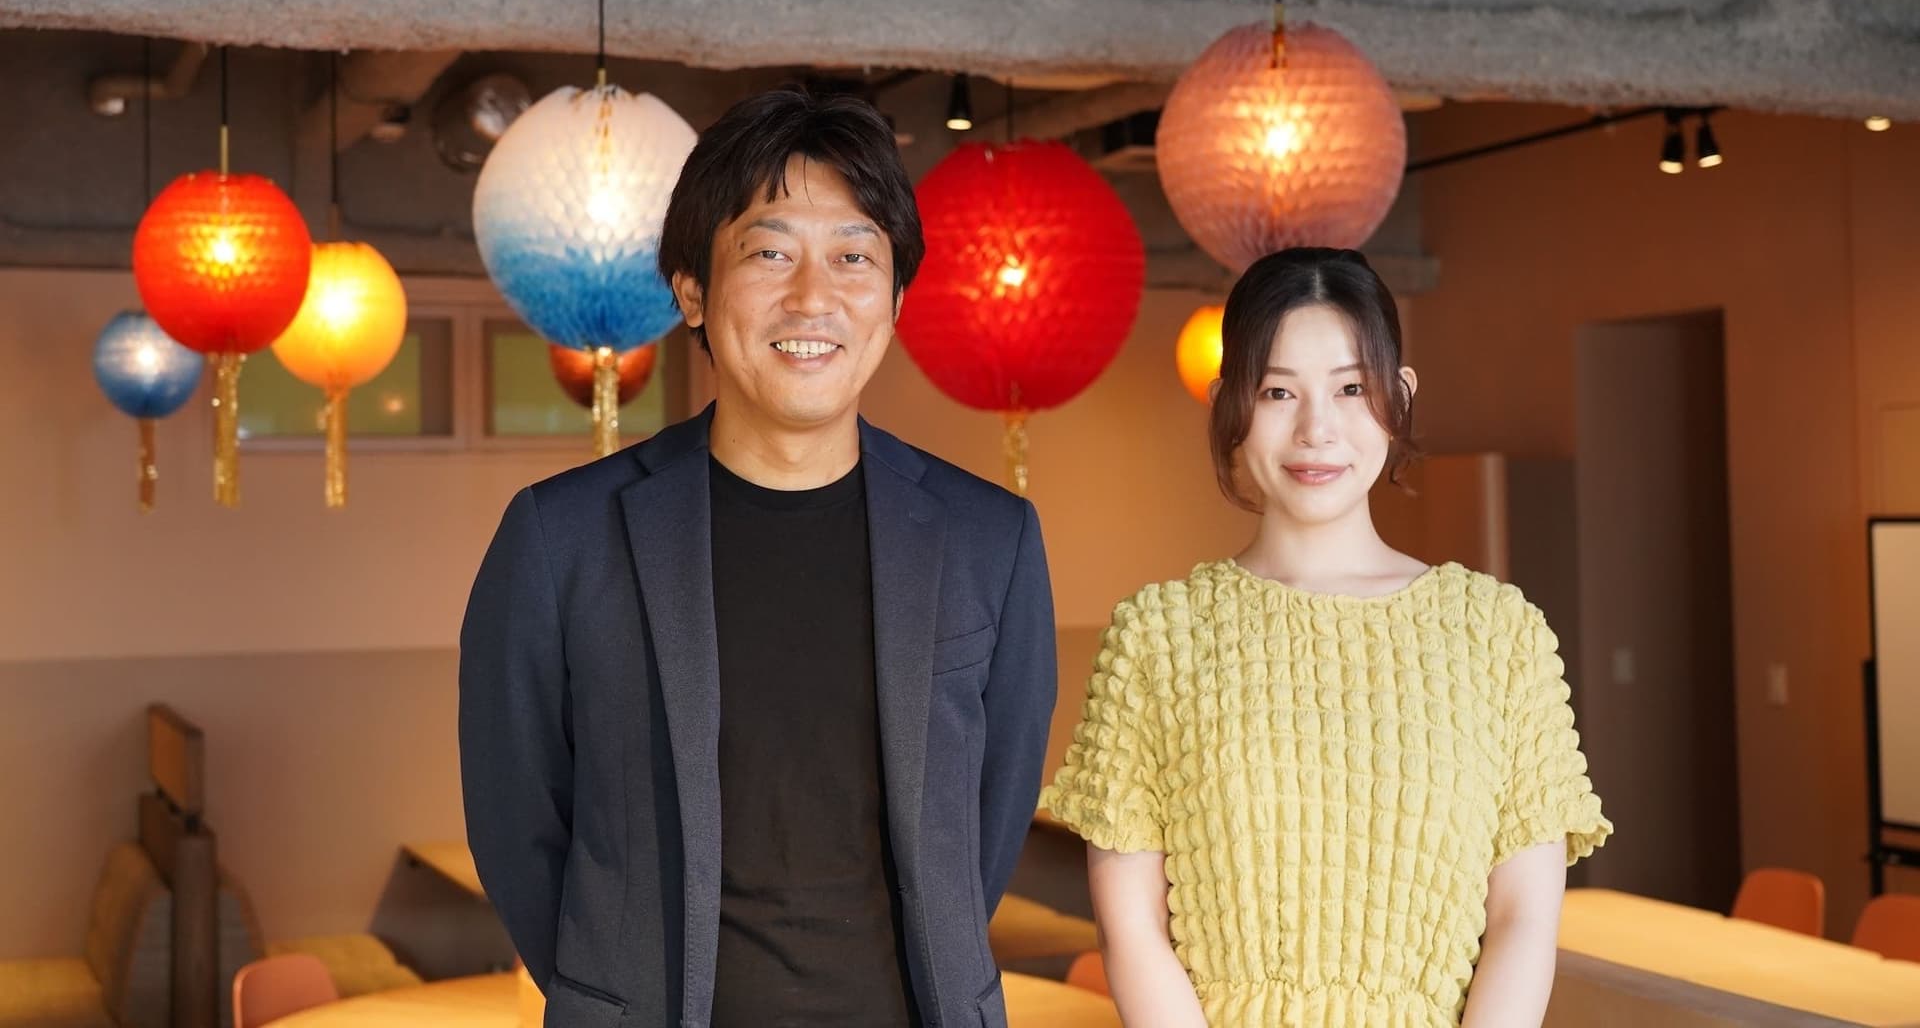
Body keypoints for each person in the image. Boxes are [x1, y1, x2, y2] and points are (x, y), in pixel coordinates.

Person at [460, 89, 1056, 1028]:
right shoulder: (560, 540)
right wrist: (614, 986)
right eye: (769, 252)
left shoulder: (991, 540)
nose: (813, 297)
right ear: (692, 287)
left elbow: (986, 823)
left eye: (855, 256)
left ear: (896, 296)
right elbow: (516, 825)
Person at [1042, 246, 1609, 1027]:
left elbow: (1523, 921)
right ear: (1229, 405)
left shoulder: (1498, 636)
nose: (1317, 429)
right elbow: (1131, 928)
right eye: (1278, 390)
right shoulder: (1157, 638)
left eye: (1351, 388)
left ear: (1399, 396)